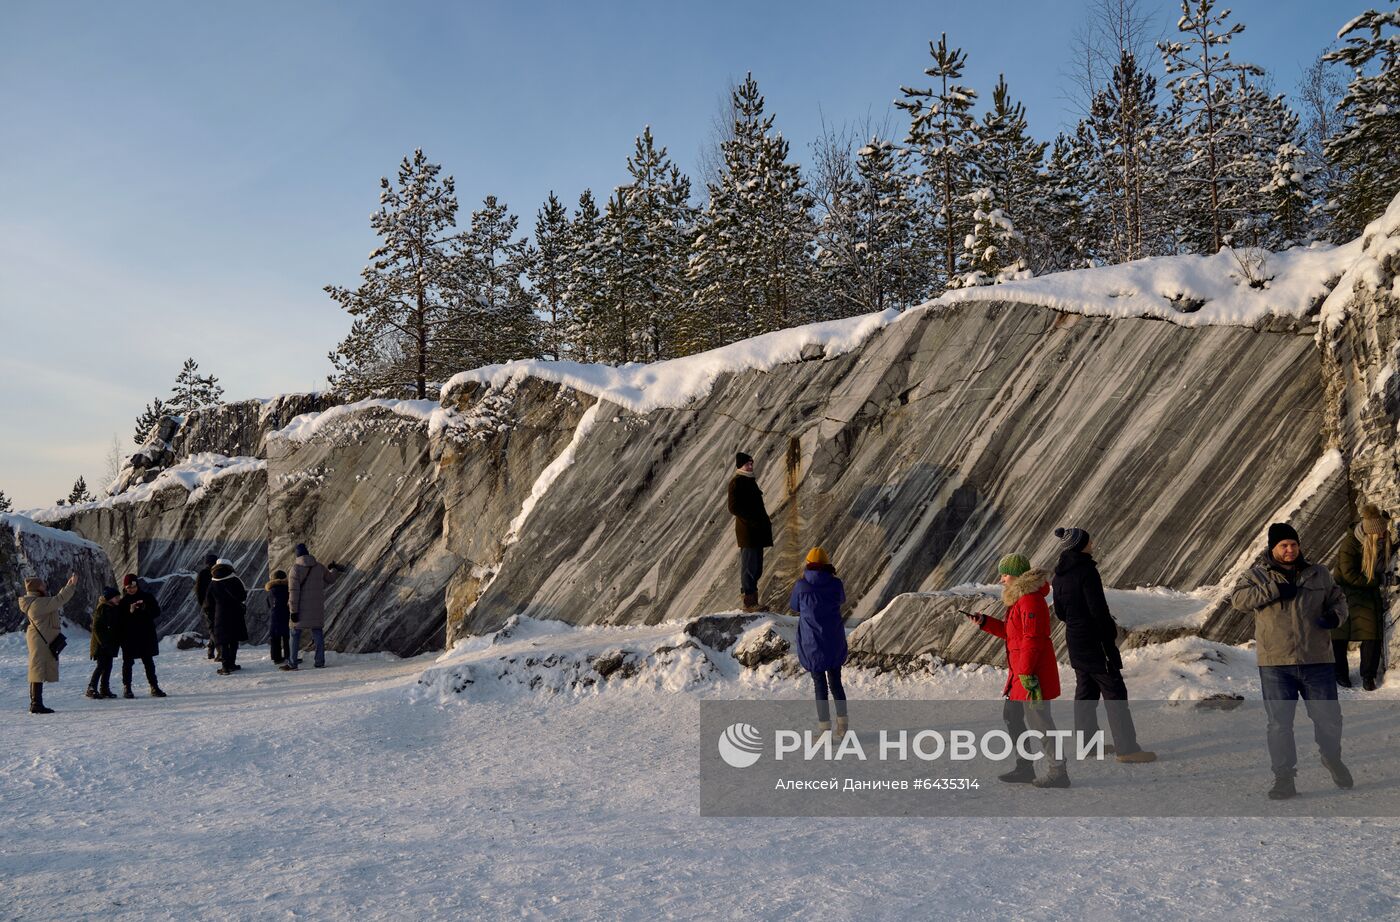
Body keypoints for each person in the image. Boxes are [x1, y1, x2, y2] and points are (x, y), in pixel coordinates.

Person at [1230, 522, 1352, 800]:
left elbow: (1339, 599)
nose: (1289, 550)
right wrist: (1273, 589)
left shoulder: (1318, 573)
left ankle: (1332, 757)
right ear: (1273, 548)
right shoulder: (1257, 575)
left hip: (1317, 660)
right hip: (1276, 664)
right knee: (1279, 724)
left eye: (1293, 545)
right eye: (1283, 546)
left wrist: (1335, 617)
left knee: (1329, 718)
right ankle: (1284, 778)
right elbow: (1238, 600)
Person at [1050, 526, 1156, 764]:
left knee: (1085, 693)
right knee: (1114, 692)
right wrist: (1108, 634)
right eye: (1089, 541)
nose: (1093, 544)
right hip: (1095, 641)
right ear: (1080, 545)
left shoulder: (1059, 576)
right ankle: (1127, 748)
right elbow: (1098, 608)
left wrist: (1077, 624)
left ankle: (1087, 745)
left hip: (1075, 640)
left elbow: (1060, 612)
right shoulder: (1086, 571)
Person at [967, 554, 1069, 788]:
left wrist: (1025, 673)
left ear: (1016, 575)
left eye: (1004, 574)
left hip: (1031, 676)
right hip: (1020, 674)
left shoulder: (1031, 601)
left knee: (1041, 722)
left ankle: (1058, 771)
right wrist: (985, 622)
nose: (1001, 579)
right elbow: (1013, 634)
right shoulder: (1020, 600)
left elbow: (1034, 639)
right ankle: (1025, 766)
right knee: (1012, 717)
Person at [789, 547, 848, 736]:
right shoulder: (836, 584)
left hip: (812, 641)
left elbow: (794, 606)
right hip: (833, 639)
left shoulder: (801, 585)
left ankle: (824, 729)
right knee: (836, 682)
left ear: (808, 564)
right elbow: (842, 600)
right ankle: (843, 726)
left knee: (819, 685)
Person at [1332, 504, 1390, 691]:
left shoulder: (1380, 539)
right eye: (1379, 534)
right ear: (1369, 534)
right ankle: (1340, 673)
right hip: (1344, 593)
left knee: (1371, 634)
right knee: (1339, 636)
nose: (1383, 536)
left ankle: (1368, 675)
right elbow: (1349, 575)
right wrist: (1380, 579)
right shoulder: (1349, 545)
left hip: (1366, 592)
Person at [20, 573, 78, 714]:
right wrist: (71, 585)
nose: (44, 586)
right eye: (42, 585)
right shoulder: (36, 603)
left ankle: (36, 703)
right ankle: (35, 703)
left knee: (38, 669)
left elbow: (54, 600)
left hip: (40, 638)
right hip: (39, 640)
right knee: (37, 669)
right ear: (36, 588)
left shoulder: (36, 601)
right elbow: (58, 600)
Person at [727, 452, 772, 613]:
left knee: (756, 566)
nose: (751, 466)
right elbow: (733, 507)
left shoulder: (749, 481)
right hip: (748, 531)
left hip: (756, 531)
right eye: (748, 464)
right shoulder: (737, 482)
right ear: (740, 465)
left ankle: (753, 601)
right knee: (749, 566)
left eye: (752, 463)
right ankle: (749, 602)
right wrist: (751, 519)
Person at [285, 544, 342, 670]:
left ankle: (292, 663)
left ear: (297, 555)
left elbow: (293, 592)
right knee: (317, 633)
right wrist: (334, 569)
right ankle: (319, 661)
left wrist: (293, 611)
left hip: (300, 609)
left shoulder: (295, 569)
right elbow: (331, 579)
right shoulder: (319, 567)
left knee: (294, 634)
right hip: (316, 609)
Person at [117, 574, 165, 698]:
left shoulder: (147, 597)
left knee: (148, 662)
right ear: (125, 587)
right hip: (129, 636)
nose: (131, 589)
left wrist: (145, 609)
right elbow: (119, 620)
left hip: (145, 635)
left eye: (133, 586)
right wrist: (130, 611)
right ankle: (127, 688)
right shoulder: (123, 602)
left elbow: (157, 612)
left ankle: (154, 686)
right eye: (128, 587)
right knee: (127, 662)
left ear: (137, 585)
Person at [206, 558, 249, 675]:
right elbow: (242, 596)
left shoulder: (213, 582)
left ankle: (225, 667)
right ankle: (232, 664)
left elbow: (208, 603)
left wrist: (211, 615)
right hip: (235, 613)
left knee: (224, 640)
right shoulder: (235, 580)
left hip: (220, 614)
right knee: (234, 639)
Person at [86, 587, 122, 700]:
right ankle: (91, 688)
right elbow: (96, 627)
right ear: (110, 598)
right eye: (116, 597)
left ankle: (104, 688)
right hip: (101, 645)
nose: (118, 599)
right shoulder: (102, 608)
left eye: (118, 597)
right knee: (101, 666)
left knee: (108, 666)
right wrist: (103, 642)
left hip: (110, 644)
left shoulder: (113, 608)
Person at [194, 552, 217, 660]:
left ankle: (211, 650)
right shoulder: (214, 573)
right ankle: (219, 651)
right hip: (215, 605)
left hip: (208, 605)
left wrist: (202, 604)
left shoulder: (203, 573)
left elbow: (198, 591)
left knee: (213, 628)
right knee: (214, 628)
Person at [266, 569, 291, 665]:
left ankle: (276, 657)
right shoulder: (287, 589)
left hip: (274, 616)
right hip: (286, 614)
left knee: (275, 638)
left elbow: (268, 604)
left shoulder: (270, 590)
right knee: (287, 637)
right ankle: (289, 655)